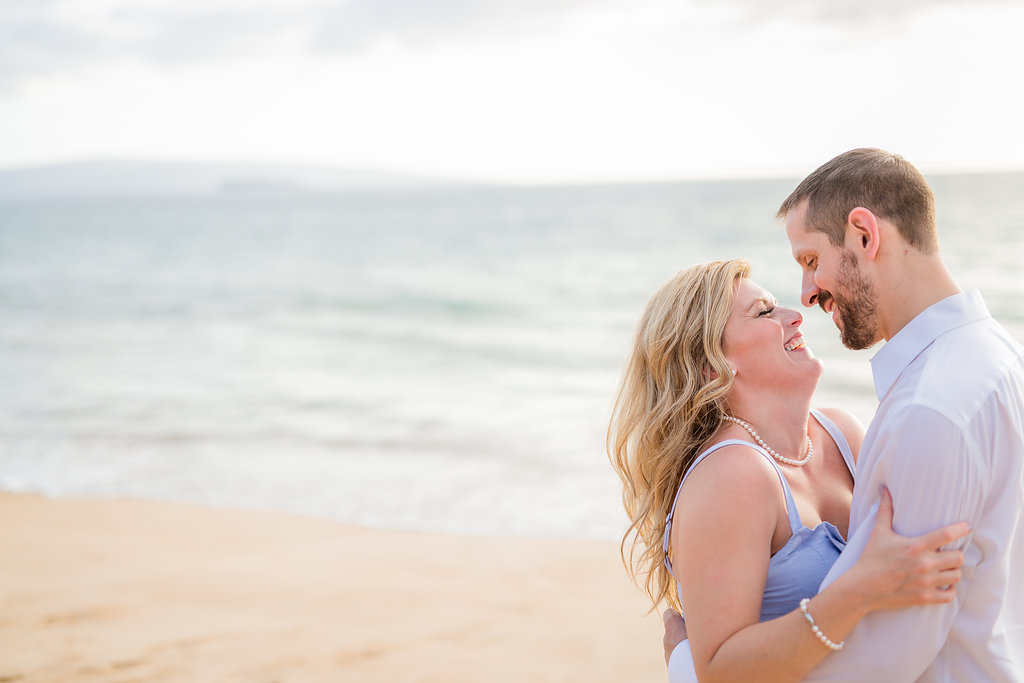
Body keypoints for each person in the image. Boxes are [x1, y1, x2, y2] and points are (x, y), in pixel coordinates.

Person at [663, 148, 1024, 681]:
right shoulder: (996, 357)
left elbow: (887, 653)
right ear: (712, 365)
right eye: (765, 310)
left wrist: (683, 668)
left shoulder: (926, 409)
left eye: (810, 260)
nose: (804, 298)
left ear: (863, 234)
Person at [609, 257, 969, 682]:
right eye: (764, 312)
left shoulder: (841, 433)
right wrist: (859, 592)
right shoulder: (732, 475)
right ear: (712, 365)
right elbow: (720, 671)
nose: (796, 316)